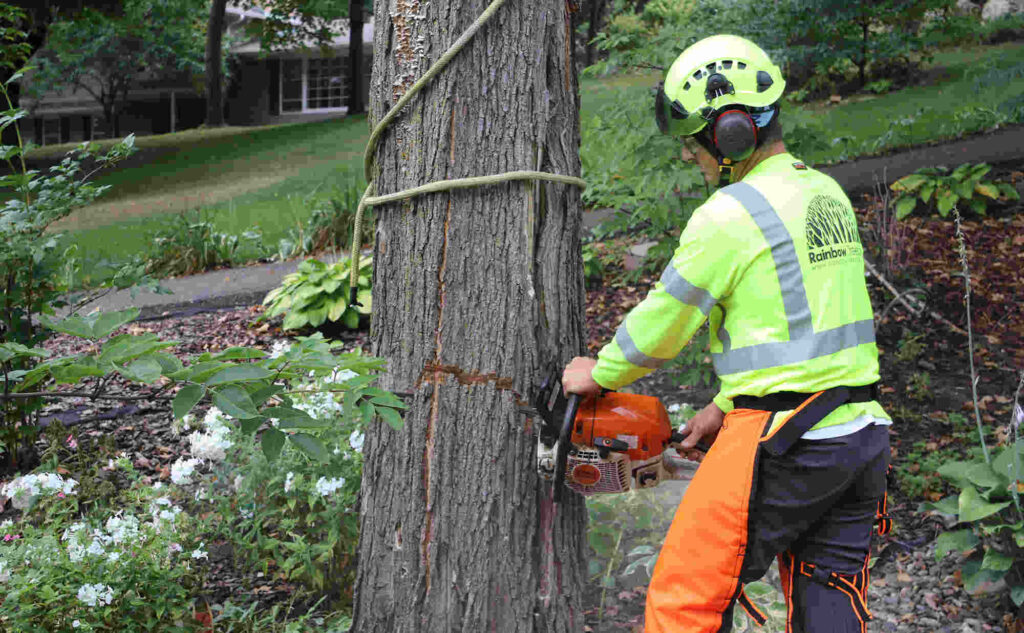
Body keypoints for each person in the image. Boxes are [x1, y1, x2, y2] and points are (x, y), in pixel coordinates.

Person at [562, 35, 892, 633]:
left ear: (730, 133)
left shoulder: (730, 213)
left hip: (786, 440)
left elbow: (665, 323)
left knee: (685, 601)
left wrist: (600, 373)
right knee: (828, 593)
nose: (693, 158)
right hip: (861, 435)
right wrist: (722, 404)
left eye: (695, 144)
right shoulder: (826, 192)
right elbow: (812, 328)